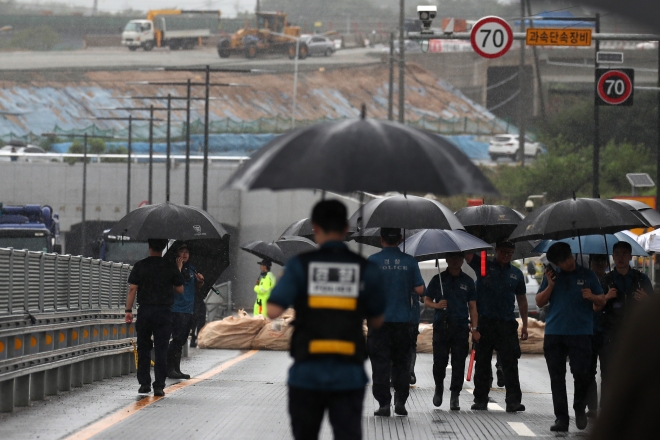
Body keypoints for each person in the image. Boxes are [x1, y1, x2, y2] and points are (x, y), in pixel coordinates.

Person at [266, 200, 385, 440]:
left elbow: (273, 310)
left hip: (307, 374)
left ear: (315, 227)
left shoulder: (300, 266)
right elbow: (378, 319)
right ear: (345, 229)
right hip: (348, 375)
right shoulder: (365, 268)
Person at [536, 242, 605, 432]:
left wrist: (591, 296)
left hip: (581, 332)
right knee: (556, 377)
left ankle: (579, 408)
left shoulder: (587, 274)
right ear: (556, 263)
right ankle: (561, 418)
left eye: (570, 257)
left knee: (582, 374)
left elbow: (602, 300)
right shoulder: (552, 276)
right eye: (564, 261)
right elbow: (540, 301)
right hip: (555, 332)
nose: (569, 262)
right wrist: (550, 285)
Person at [367, 227, 425, 416]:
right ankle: (401, 400)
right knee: (401, 362)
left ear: (381, 238)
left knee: (380, 363)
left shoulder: (373, 261)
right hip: (403, 322)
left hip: (378, 323)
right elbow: (419, 289)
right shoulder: (409, 262)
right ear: (400, 238)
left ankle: (384, 404)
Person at [467, 240, 528, 413]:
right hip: (485, 322)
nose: (506, 256)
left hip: (507, 323)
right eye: (503, 252)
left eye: (510, 253)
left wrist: (525, 325)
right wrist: (480, 240)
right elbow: (469, 256)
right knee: (482, 363)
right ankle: (480, 399)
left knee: (510, 364)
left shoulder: (516, 274)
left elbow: (522, 300)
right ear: (496, 251)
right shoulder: (485, 267)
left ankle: (513, 401)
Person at [594, 241, 653, 407]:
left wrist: (646, 300)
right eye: (617, 254)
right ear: (613, 257)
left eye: (624, 254)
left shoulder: (641, 279)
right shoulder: (605, 281)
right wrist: (606, 297)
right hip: (609, 335)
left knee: (635, 375)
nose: (621, 258)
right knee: (608, 375)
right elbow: (595, 308)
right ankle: (607, 412)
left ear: (630, 256)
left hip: (635, 335)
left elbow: (653, 307)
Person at [125, 238, 184, 397]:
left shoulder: (140, 265)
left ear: (149, 246)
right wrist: (178, 270)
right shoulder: (170, 266)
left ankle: (144, 384)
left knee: (143, 347)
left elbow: (132, 289)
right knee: (161, 349)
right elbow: (179, 289)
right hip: (164, 312)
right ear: (164, 247)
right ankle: (159, 385)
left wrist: (128, 310)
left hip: (145, 311)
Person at [424, 252, 479, 411]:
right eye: (452, 258)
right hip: (441, 327)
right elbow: (426, 300)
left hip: (460, 327)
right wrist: (437, 305)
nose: (455, 261)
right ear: (446, 260)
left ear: (462, 260)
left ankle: (455, 395)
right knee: (439, 361)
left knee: (458, 363)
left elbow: (473, 307)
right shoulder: (438, 279)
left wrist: (474, 328)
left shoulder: (468, 282)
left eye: (459, 258)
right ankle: (439, 386)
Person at [167, 243, 204, 380]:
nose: (185, 254)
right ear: (176, 253)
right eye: (181, 251)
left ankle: (177, 368)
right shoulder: (172, 267)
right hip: (176, 308)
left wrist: (200, 281)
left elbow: (197, 286)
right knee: (176, 339)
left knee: (182, 339)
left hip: (189, 308)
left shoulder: (192, 268)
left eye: (187, 252)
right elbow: (172, 284)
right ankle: (169, 368)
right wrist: (178, 269)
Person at [586, 254, 608, 417]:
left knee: (608, 370)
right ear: (590, 263)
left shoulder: (612, 281)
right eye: (596, 261)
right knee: (588, 371)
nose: (600, 264)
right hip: (588, 331)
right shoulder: (585, 281)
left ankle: (606, 406)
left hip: (608, 332)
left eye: (603, 261)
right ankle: (592, 406)